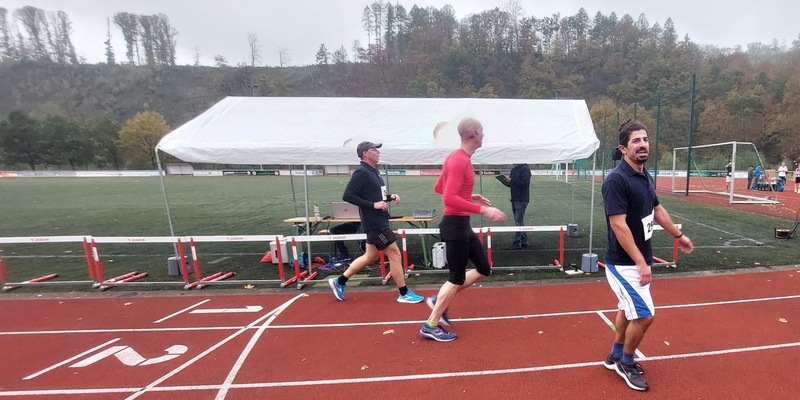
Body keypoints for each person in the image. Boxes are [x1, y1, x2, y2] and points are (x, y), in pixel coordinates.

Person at [601, 120, 694, 391]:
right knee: (644, 315)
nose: (642, 144)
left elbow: (657, 209)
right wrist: (642, 262)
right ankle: (626, 363)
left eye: (645, 139)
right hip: (622, 263)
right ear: (623, 148)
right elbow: (618, 225)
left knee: (626, 310)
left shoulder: (644, 175)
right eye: (635, 141)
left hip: (637, 260)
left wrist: (678, 235)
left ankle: (616, 355)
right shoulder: (616, 181)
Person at [419, 118, 507, 342]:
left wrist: (469, 196)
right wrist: (483, 210)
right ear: (473, 133)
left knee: (483, 268)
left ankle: (439, 298)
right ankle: (430, 324)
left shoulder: (458, 159)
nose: (484, 135)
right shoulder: (459, 160)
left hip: (461, 224)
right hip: (454, 225)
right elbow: (448, 196)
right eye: (482, 131)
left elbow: (439, 187)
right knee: (456, 278)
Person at [328, 141, 424, 304]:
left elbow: (375, 196)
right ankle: (403, 293)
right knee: (394, 253)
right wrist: (374, 205)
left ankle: (340, 282)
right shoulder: (361, 172)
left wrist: (389, 197)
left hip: (379, 220)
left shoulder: (374, 172)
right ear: (365, 153)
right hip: (375, 223)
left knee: (370, 256)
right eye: (374, 150)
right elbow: (348, 195)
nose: (378, 152)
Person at [504, 163, 532, 249]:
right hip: (515, 197)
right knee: (519, 220)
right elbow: (512, 183)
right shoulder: (514, 169)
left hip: (521, 198)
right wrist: (507, 181)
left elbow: (525, 183)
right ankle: (524, 240)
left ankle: (517, 242)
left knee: (519, 220)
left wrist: (511, 180)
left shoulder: (525, 169)